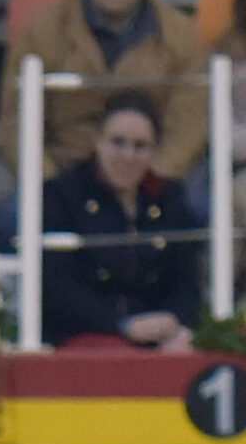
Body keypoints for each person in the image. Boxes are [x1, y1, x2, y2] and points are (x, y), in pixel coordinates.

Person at [0, 0, 207, 182]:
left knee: (202, 208)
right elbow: (17, 126)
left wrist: (149, 186)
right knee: (5, 219)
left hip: (154, 187)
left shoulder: (184, 36)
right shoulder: (40, 32)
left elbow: (189, 129)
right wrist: (55, 189)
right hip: (63, 182)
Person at [39, 91, 204, 346]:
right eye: (118, 142)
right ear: (97, 141)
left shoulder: (169, 197)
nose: (127, 156)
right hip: (87, 332)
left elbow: (185, 281)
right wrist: (122, 325)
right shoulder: (61, 195)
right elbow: (59, 289)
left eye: (140, 146)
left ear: (155, 150)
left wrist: (173, 321)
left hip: (159, 332)